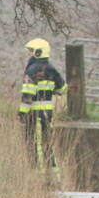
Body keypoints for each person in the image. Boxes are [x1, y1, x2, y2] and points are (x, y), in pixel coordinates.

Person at [18, 38, 67, 167]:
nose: (30, 54)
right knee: (47, 142)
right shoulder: (52, 69)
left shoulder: (31, 70)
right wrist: (49, 89)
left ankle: (39, 172)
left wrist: (22, 113)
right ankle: (52, 170)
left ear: (38, 52)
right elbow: (62, 89)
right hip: (48, 113)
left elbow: (27, 95)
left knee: (35, 143)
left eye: (31, 51)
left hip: (33, 114)